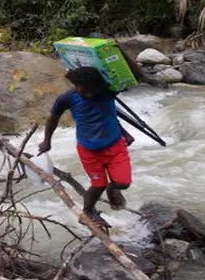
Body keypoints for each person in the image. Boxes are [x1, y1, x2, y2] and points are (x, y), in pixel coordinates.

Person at [38, 66, 136, 230]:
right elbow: (53, 119)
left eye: (89, 89)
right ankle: (88, 211)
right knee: (98, 185)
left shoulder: (109, 92)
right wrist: (47, 140)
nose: (85, 92)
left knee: (123, 183)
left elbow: (130, 81)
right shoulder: (67, 98)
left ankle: (113, 190)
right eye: (80, 88)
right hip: (89, 149)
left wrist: (124, 133)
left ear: (98, 85)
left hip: (114, 145)